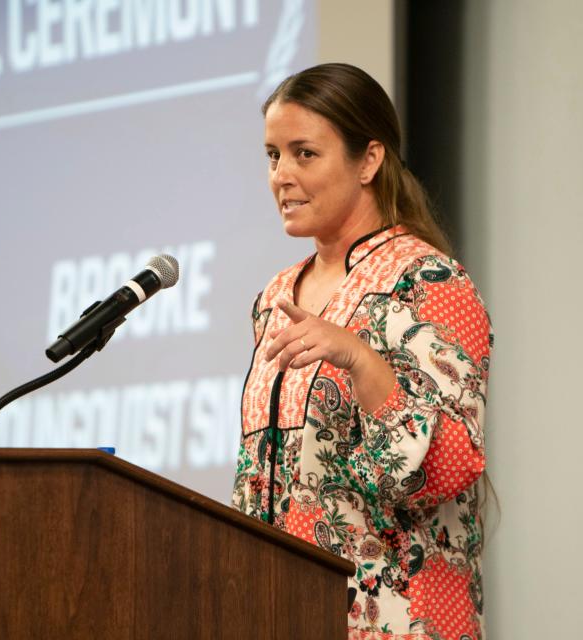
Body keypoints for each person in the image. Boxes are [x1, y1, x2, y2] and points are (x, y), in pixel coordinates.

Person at [231, 63, 492, 640]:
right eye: (273, 156)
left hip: (395, 622)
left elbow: (449, 468)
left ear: (369, 160)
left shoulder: (427, 282)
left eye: (304, 154)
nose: (282, 176)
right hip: (280, 615)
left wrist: (361, 359)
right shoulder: (275, 297)